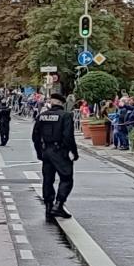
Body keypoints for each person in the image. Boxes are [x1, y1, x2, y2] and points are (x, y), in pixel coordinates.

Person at [33, 92, 79, 220]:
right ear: (61, 103)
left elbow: (35, 136)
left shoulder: (42, 116)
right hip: (60, 151)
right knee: (66, 178)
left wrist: (39, 152)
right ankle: (58, 205)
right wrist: (74, 152)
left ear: (51, 102)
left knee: (48, 179)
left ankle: (48, 206)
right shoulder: (66, 116)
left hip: (46, 150)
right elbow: (68, 137)